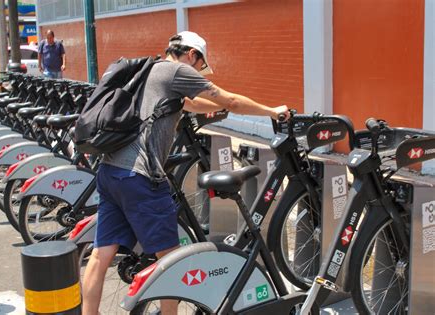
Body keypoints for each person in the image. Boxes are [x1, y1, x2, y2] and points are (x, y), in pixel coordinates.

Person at [81, 31, 289, 315]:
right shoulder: (177, 71)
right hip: (140, 178)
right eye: (201, 66)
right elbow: (231, 101)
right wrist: (272, 112)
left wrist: (221, 107)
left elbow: (193, 104)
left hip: (110, 172)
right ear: (192, 55)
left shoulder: (150, 71)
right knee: (171, 264)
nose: (200, 72)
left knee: (100, 255)